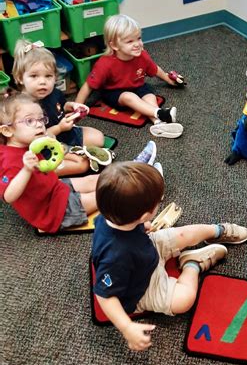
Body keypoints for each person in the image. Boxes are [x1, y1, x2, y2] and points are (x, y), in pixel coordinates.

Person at [92, 161, 247, 351]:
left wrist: (140, 227)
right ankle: (193, 265)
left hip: (145, 248)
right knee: (184, 300)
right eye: (158, 202)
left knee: (184, 233)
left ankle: (217, 230)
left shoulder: (109, 215)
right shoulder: (114, 258)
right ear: (144, 214)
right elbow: (104, 296)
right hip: (141, 288)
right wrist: (126, 326)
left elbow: (123, 227)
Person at [0, 93, 98, 233]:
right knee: (102, 197)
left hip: (54, 187)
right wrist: (26, 170)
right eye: (30, 121)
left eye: (41, 119)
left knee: (92, 180)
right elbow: (9, 196)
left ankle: (124, 179)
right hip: (51, 211)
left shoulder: (29, 143)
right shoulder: (9, 161)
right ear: (7, 130)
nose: (39, 124)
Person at [75, 14, 183, 138]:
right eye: (130, 41)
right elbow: (88, 86)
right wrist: (77, 108)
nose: (137, 44)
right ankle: (160, 113)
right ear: (114, 45)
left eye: (138, 38)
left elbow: (154, 69)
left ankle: (158, 123)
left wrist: (168, 79)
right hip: (114, 92)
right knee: (129, 96)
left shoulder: (142, 55)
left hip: (137, 85)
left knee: (149, 96)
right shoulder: (105, 63)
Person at [12, 39, 105, 176]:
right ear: (20, 78)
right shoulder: (23, 107)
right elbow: (34, 140)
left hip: (64, 133)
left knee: (99, 138)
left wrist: (72, 106)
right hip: (44, 148)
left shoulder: (52, 92)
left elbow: (62, 105)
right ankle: (40, 173)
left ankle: (70, 151)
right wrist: (59, 128)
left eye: (48, 76)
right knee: (81, 165)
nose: (43, 81)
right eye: (34, 76)